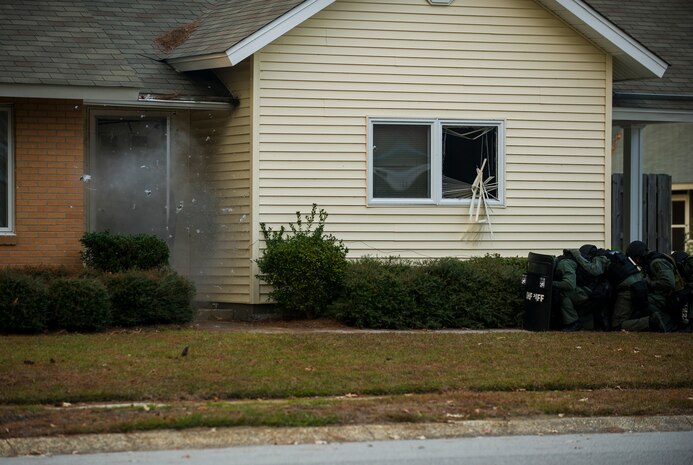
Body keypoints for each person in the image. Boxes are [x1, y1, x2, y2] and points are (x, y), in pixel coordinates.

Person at [566, 246, 643, 331]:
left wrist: (577, 255)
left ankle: (650, 321)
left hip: (628, 289)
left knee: (617, 326)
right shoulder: (614, 253)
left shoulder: (601, 257)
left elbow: (594, 270)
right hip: (639, 284)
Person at [624, 240, 677, 332]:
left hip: (669, 297)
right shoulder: (650, 262)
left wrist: (648, 283)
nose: (636, 262)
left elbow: (669, 283)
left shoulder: (656, 262)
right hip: (664, 296)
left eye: (635, 259)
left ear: (639, 257)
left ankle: (668, 324)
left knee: (642, 300)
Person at [552, 251, 581, 331]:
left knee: (561, 294)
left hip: (585, 292)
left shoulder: (564, 264)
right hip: (581, 290)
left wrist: (552, 283)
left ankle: (574, 323)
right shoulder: (561, 263)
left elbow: (569, 284)